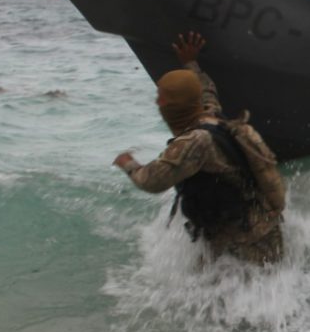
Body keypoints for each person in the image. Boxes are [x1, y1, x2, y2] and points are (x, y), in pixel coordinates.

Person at [114, 31, 286, 264]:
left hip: (242, 239)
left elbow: (152, 181)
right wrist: (190, 62)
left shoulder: (194, 142)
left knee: (235, 285)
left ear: (170, 105)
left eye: (161, 97)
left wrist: (127, 163)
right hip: (261, 226)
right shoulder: (213, 117)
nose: (157, 101)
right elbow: (206, 91)